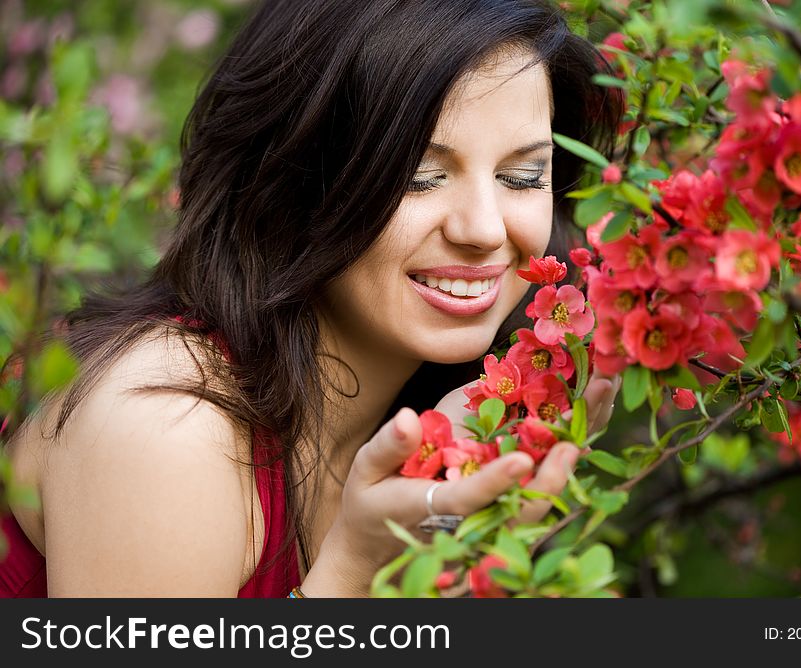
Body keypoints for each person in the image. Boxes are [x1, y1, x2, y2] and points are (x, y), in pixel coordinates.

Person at [0, 0, 622, 598]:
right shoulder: (163, 431)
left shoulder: (438, 422)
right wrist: (353, 576)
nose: (484, 229)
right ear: (292, 176)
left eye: (521, 177)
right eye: (419, 177)